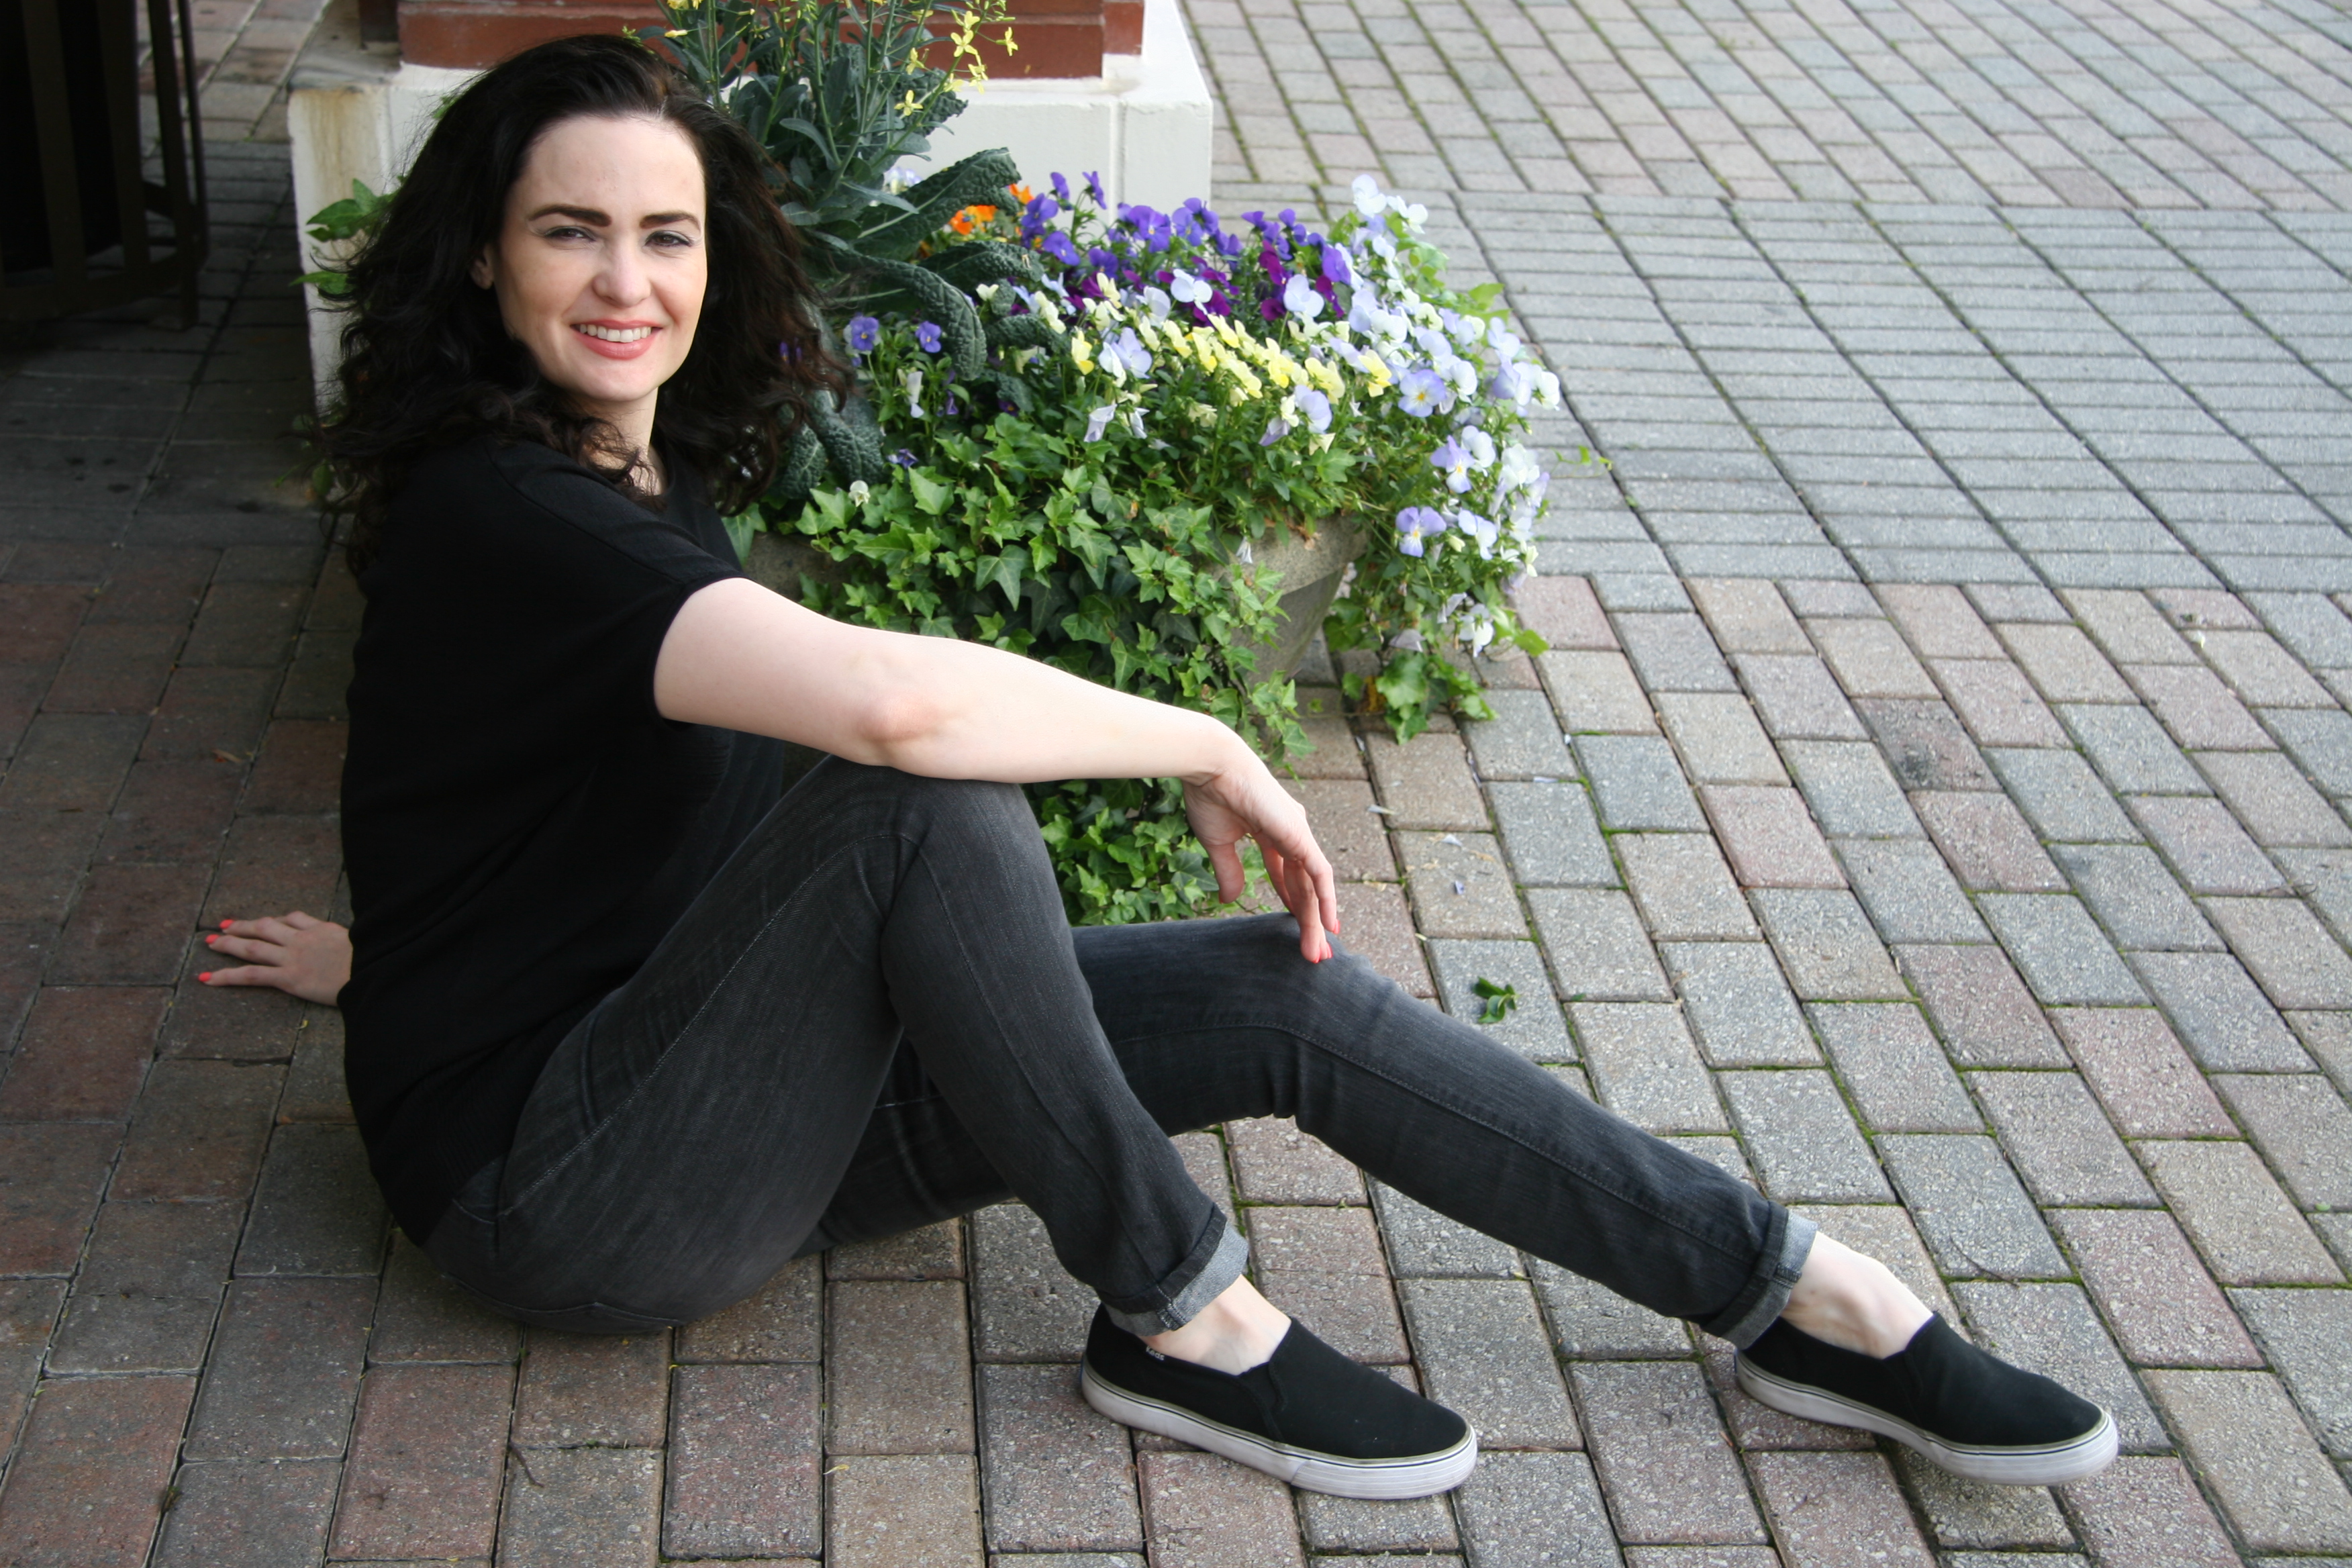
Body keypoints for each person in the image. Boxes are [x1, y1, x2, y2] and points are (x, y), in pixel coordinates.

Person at [205, 34, 2117, 1500]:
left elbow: (518, 812)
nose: (628, 278)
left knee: (1267, 988)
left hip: (713, 1090)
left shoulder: (635, 472)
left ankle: (1796, 1295)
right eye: (571, 231)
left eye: (666, 233)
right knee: (910, 793)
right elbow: (893, 717)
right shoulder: (503, 519)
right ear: (478, 263)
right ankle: (1184, 1310)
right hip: (565, 1192)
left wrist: (387, 968)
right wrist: (1207, 733)